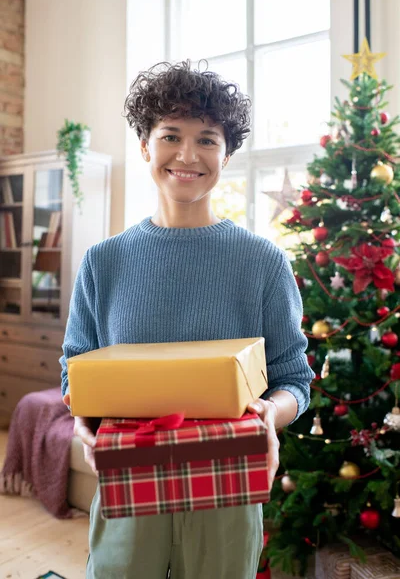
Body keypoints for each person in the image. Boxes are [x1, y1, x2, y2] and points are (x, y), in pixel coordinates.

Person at [60, 60, 314, 579]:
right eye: (170, 135)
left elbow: (294, 380)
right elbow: (74, 370)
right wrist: (85, 422)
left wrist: (268, 414)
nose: (187, 155)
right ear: (144, 146)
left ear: (227, 153)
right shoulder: (104, 261)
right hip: (129, 482)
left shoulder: (262, 261)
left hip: (228, 488)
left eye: (208, 139)